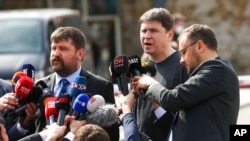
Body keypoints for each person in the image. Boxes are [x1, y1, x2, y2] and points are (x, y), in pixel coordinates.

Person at [132, 24, 239, 141]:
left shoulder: (218, 70)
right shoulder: (212, 72)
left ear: (199, 46)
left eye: (183, 53)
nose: (181, 60)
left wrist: (151, 84)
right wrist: (155, 103)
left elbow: (173, 99)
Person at [34, 26, 119, 141]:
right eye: (54, 48)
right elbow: (33, 129)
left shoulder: (100, 86)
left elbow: (111, 136)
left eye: (63, 49)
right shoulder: (40, 86)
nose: (56, 53)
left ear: (80, 54)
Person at [135, 8, 189, 141]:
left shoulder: (183, 65)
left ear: (170, 35)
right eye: (143, 31)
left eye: (153, 31)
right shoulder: (141, 67)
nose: (147, 35)